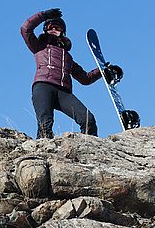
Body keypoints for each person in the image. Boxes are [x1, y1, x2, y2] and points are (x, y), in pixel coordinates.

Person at [20, 8, 122, 139]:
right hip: (43, 87)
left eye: (58, 27)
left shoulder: (68, 58)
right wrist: (43, 16)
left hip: (64, 92)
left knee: (88, 120)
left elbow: (85, 78)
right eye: (50, 26)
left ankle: (89, 151)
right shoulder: (39, 46)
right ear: (45, 29)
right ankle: (43, 152)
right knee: (45, 124)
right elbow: (25, 29)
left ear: (63, 32)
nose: (54, 29)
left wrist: (103, 71)